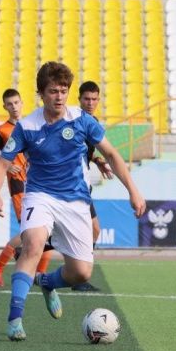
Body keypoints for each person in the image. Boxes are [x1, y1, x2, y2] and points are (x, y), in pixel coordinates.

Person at [0, 62, 146, 341]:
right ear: (41, 94)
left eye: (63, 91)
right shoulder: (27, 126)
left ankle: (46, 282)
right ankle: (15, 319)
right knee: (33, 244)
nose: (59, 97)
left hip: (76, 201)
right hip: (40, 195)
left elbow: (111, 154)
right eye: (53, 91)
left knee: (81, 273)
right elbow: (2, 163)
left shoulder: (82, 120)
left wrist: (133, 191)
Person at [0, 89, 53, 287]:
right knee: (30, 230)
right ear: (5, 107)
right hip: (18, 185)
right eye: (10, 104)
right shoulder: (2, 130)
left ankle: (39, 273)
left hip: (39, 183)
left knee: (49, 230)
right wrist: (6, 165)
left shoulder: (32, 125)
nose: (14, 107)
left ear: (22, 103)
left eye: (16, 102)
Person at [71, 81, 115, 292]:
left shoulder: (93, 123)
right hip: (70, 185)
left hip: (83, 184)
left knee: (92, 230)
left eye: (94, 99)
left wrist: (97, 160)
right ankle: (79, 278)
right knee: (88, 230)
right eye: (86, 99)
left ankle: (80, 278)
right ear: (79, 99)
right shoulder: (71, 121)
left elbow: (85, 152)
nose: (90, 103)